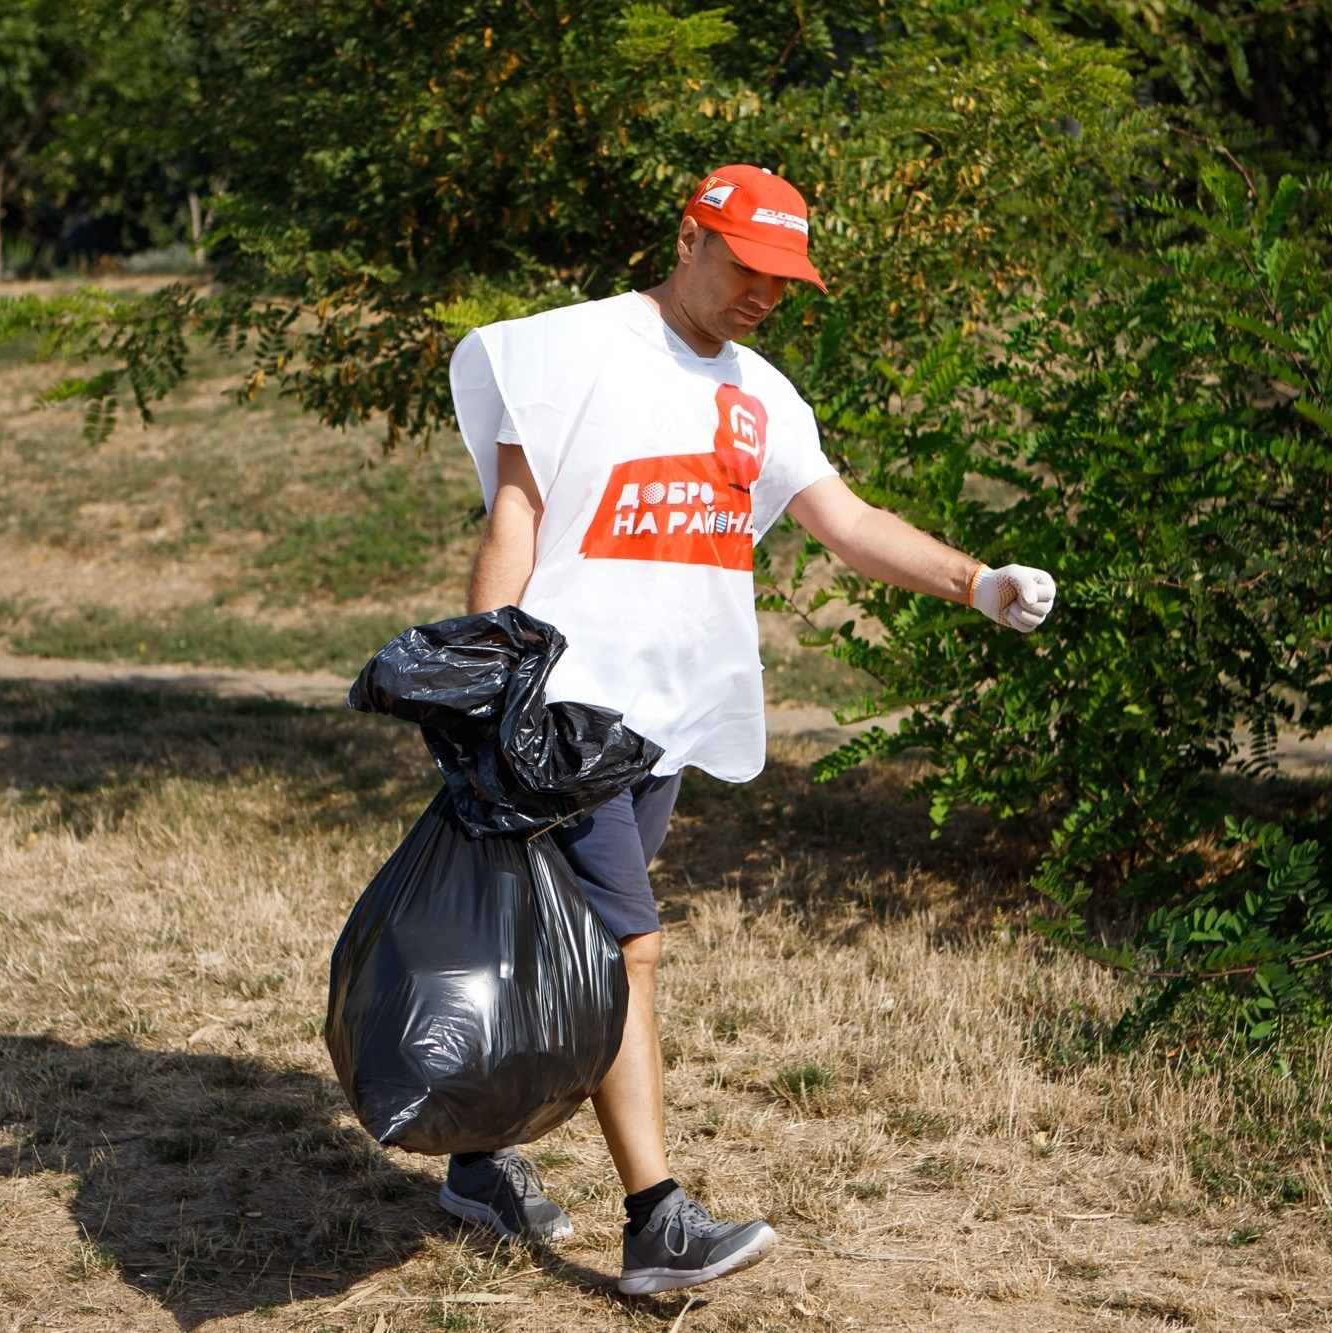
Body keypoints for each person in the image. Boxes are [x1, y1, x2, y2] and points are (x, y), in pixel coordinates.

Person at [443, 164, 1056, 1296]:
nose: (764, 295)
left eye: (785, 280)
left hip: (666, 729)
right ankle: (655, 1223)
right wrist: (492, 683)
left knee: (568, 948)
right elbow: (516, 521)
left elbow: (848, 522)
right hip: (568, 713)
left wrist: (977, 581)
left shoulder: (763, 393)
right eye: (748, 268)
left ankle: (477, 1157)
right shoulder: (569, 349)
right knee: (631, 945)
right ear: (689, 238)